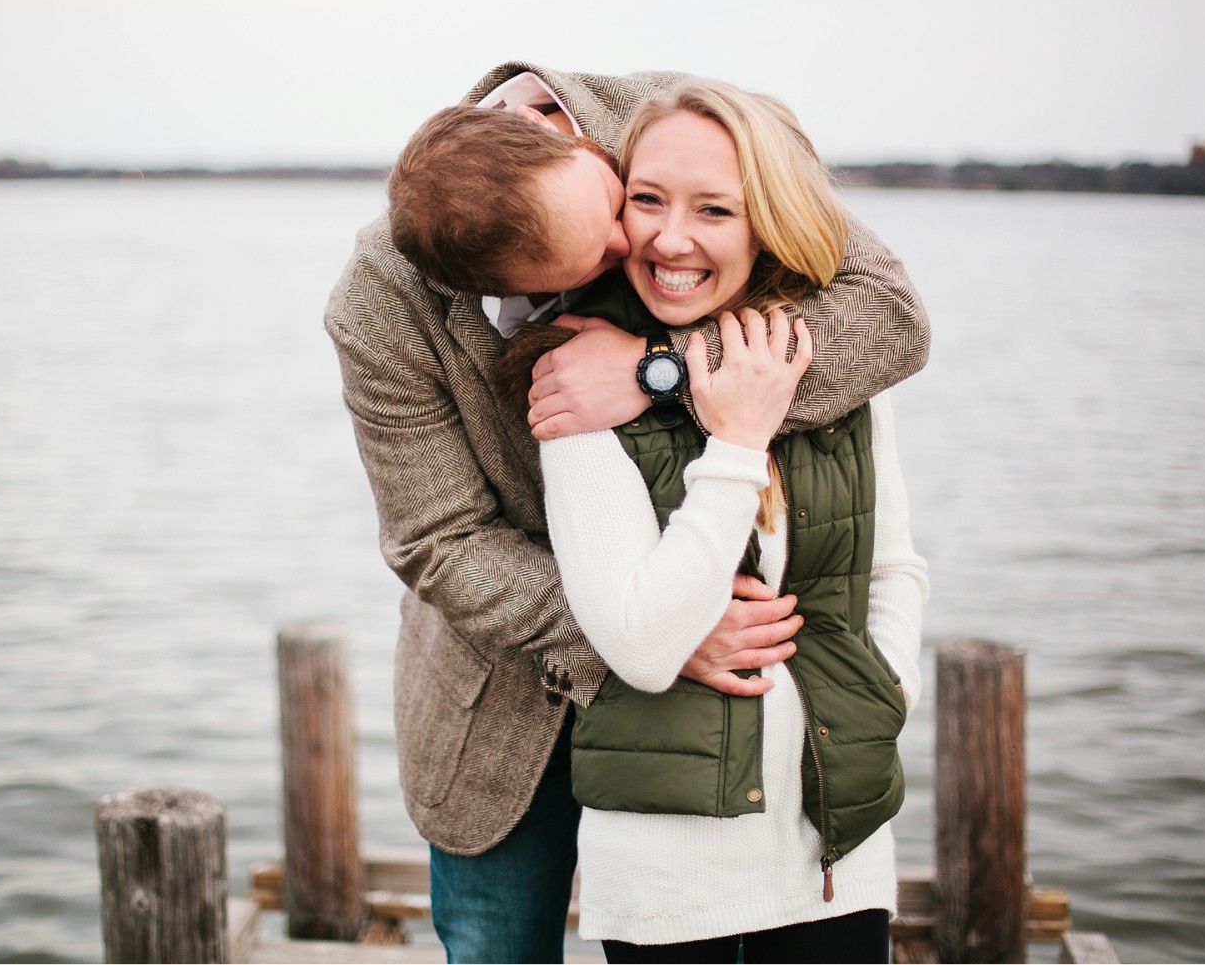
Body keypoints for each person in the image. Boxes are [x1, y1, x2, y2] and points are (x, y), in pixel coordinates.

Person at [323, 61, 929, 963]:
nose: (638, 252)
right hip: (504, 689)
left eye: (619, 210)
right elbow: (437, 540)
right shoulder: (381, 304)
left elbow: (890, 315)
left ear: (561, 132)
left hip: (726, 706)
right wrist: (649, 626)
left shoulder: (671, 129)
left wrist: (659, 366)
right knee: (495, 948)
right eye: (596, 261)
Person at [520, 80, 927, 963]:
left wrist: (883, 694)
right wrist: (738, 442)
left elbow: (893, 567)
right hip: (668, 880)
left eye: (715, 209)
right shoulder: (581, 379)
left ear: (768, 220)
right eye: (649, 200)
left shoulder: (830, 359)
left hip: (838, 855)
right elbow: (640, 640)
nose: (672, 238)